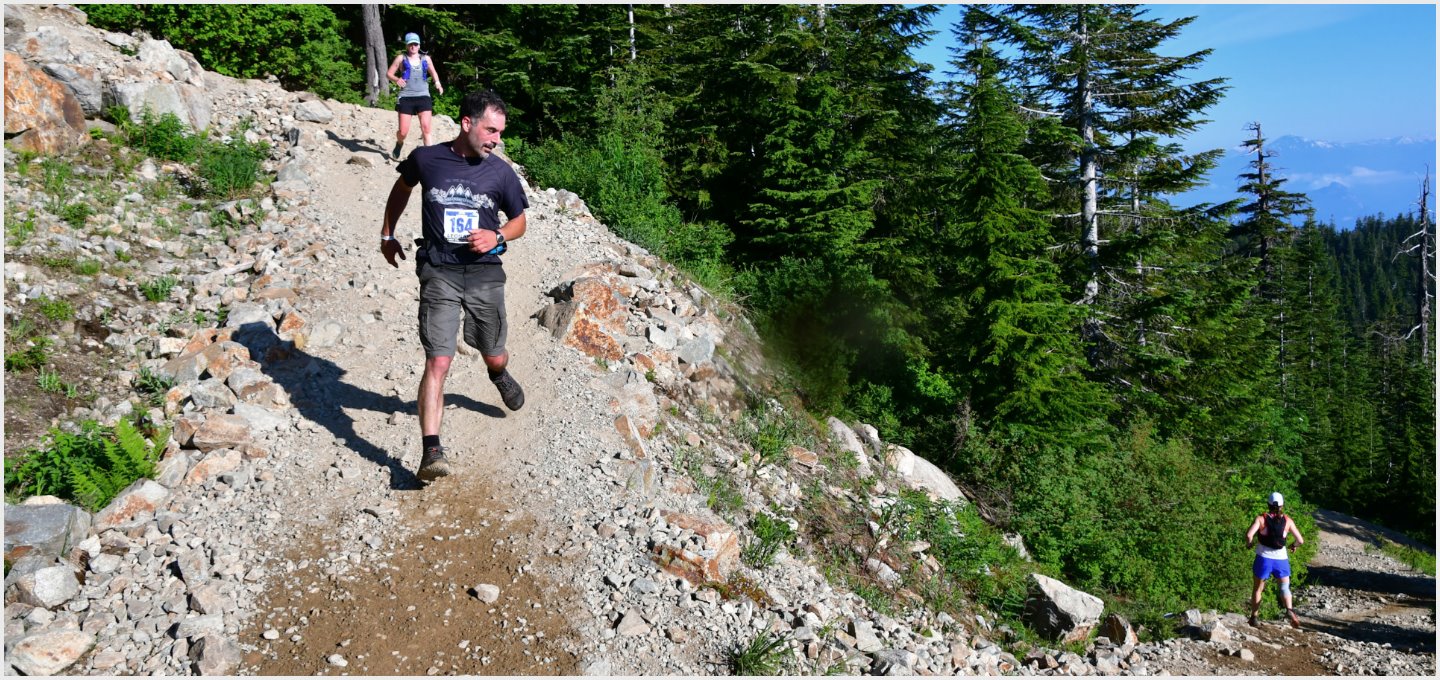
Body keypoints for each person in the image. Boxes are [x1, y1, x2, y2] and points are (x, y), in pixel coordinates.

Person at [379, 89, 527, 483]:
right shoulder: (427, 159)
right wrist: (387, 234)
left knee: (492, 352)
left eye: (500, 133)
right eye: (491, 130)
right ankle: (432, 451)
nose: (496, 140)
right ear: (467, 123)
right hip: (439, 271)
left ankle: (497, 375)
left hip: (484, 273)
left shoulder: (500, 171)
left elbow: (520, 221)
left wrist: (497, 237)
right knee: (438, 360)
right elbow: (402, 189)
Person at [1245, 491, 1306, 628]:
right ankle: (1289, 610)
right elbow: (1300, 541)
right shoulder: (1288, 521)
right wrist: (1293, 545)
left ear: (1268, 504)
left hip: (1263, 558)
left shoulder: (1261, 519)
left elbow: (1249, 535)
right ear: (1282, 506)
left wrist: (1249, 544)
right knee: (1284, 587)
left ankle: (1254, 617)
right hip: (1281, 559)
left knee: (1258, 588)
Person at [386, 32, 444, 160]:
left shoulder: (426, 59)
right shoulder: (401, 58)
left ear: (419, 45)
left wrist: (438, 83)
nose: (413, 46)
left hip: (423, 96)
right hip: (406, 96)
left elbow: (433, 72)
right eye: (410, 44)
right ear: (407, 46)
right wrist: (396, 80)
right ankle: (399, 143)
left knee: (426, 128)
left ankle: (428, 158)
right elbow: (389, 73)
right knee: (403, 132)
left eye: (415, 44)